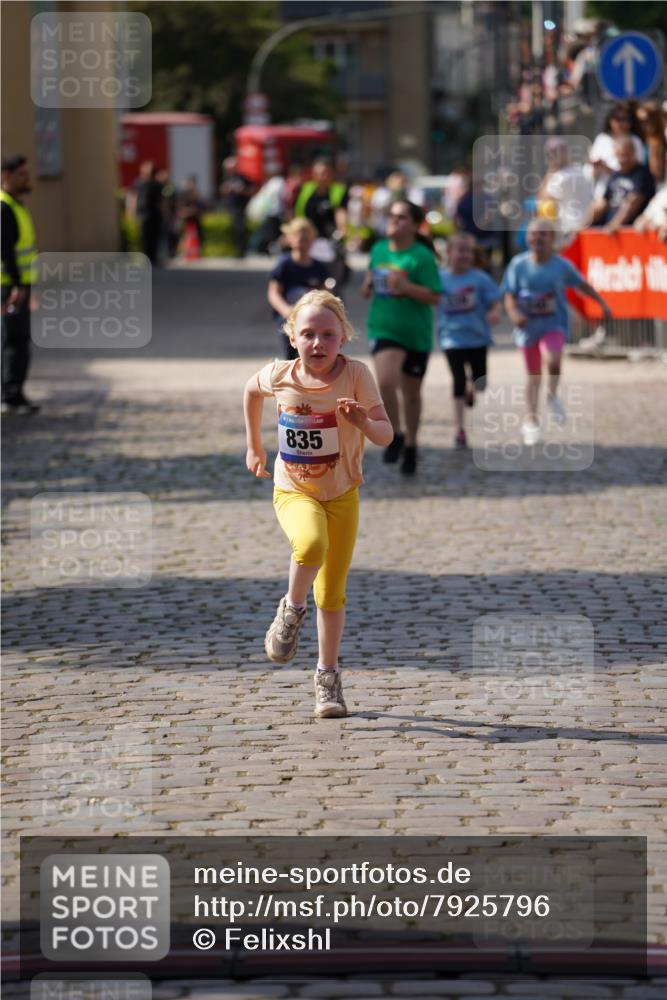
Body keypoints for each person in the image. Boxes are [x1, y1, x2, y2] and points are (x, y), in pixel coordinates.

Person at [243, 290, 392, 719]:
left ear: (343, 338)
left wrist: (363, 421)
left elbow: (386, 435)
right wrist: (254, 447)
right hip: (295, 489)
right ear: (292, 337)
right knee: (310, 546)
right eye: (307, 334)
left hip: (343, 493)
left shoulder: (357, 376)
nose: (318, 344)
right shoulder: (280, 375)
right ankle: (290, 610)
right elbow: (250, 392)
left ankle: (327, 679)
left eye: (328, 335)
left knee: (332, 592)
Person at [502, 219, 612, 446]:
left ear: (552, 239)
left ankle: (552, 395)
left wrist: (601, 303)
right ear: (527, 239)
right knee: (533, 377)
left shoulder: (561, 265)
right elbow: (509, 295)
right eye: (533, 234)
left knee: (553, 361)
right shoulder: (518, 264)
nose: (538, 239)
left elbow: (582, 285)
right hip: (527, 328)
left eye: (544, 234)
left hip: (554, 325)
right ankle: (532, 420)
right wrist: (514, 315)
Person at [361, 200, 441, 476]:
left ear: (415, 225)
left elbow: (434, 296)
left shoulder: (421, 256)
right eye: (391, 216)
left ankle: (412, 444)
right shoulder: (378, 248)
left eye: (402, 217)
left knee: (411, 394)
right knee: (384, 381)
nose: (394, 221)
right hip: (384, 327)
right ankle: (394, 434)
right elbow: (371, 273)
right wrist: (368, 283)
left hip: (415, 332)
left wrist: (406, 287)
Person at [437, 233, 502, 449]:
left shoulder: (480, 278)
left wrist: (494, 313)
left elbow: (496, 301)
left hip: (477, 337)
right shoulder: (440, 278)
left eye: (469, 251)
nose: (465, 255)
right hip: (451, 338)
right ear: (449, 253)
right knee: (457, 379)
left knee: (481, 381)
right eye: (461, 250)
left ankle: (471, 389)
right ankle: (459, 429)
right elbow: (427, 296)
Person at [1, 154, 39, 415]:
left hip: (18, 285)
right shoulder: (4, 207)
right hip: (9, 287)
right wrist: (16, 285)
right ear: (6, 177)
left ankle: (15, 395)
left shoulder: (16, 205)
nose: (27, 178)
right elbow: (5, 250)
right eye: (21, 174)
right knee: (14, 341)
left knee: (19, 340)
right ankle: (10, 397)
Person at [267, 219, 330, 359]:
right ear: (289, 240)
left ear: (313, 240)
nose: (302, 244)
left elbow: (324, 293)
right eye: (298, 239)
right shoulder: (285, 264)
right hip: (289, 320)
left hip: (311, 321)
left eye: (306, 239)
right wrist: (284, 309)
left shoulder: (318, 267)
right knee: (291, 357)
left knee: (310, 355)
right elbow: (273, 292)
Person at [589, 137, 656, 233]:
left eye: (626, 155)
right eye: (619, 155)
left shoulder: (642, 174)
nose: (623, 159)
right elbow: (603, 202)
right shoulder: (615, 175)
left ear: (633, 154)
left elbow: (633, 203)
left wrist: (613, 225)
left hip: (629, 232)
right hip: (608, 229)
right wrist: (584, 221)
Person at [537, 137, 594, 244]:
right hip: (586, 227)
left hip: (567, 232)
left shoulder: (559, 177)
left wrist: (551, 170)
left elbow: (542, 197)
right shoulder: (582, 170)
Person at [588, 104, 645, 198]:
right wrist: (595, 166)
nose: (622, 124)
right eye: (619, 120)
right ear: (611, 121)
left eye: (626, 120)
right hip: (602, 192)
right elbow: (590, 173)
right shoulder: (602, 139)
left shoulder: (635, 141)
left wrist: (607, 169)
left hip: (626, 194)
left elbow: (636, 171)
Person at [293, 159, 348, 239]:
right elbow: (297, 214)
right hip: (307, 237)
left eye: (325, 173)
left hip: (329, 238)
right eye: (317, 174)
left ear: (332, 174)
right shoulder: (304, 189)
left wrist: (341, 232)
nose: (321, 177)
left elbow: (341, 214)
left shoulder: (339, 191)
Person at [220, 156, 254, 258]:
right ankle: (233, 250)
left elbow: (252, 189)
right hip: (229, 207)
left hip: (240, 207)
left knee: (240, 229)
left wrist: (242, 191)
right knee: (231, 230)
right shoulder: (226, 178)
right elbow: (222, 190)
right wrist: (226, 190)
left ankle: (242, 251)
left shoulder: (242, 178)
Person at [133, 161, 163, 265]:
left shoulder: (157, 185)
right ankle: (145, 259)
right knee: (144, 238)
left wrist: (164, 214)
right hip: (143, 214)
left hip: (154, 215)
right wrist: (132, 213)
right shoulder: (139, 183)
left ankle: (153, 258)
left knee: (154, 237)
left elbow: (161, 201)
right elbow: (134, 198)